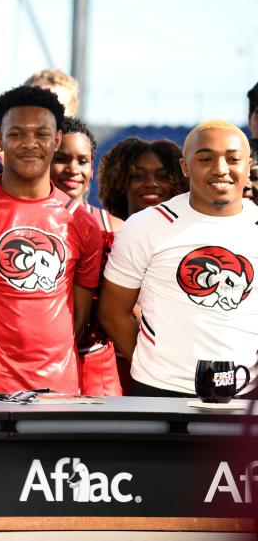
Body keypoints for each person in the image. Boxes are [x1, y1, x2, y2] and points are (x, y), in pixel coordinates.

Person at [0, 86, 102, 394]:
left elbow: (75, 319)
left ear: (57, 139)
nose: (29, 144)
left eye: (41, 134)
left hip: (60, 393)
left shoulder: (82, 222)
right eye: (16, 134)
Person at [99, 120, 258, 398]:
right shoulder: (144, 225)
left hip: (244, 394)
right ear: (185, 167)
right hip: (157, 391)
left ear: (247, 164)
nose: (221, 169)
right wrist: (155, 366)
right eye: (205, 158)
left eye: (233, 159)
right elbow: (113, 312)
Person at [50, 117, 123, 396]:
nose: (73, 169)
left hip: (97, 366)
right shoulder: (23, 225)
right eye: (62, 159)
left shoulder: (117, 228)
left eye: (82, 161)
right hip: (38, 366)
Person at [97, 137, 187, 220]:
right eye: (138, 176)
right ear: (118, 183)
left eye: (162, 176)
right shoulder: (105, 234)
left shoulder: (192, 234)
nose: (151, 183)